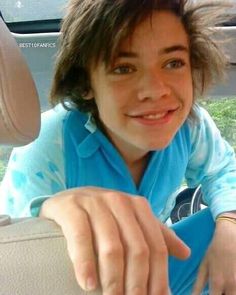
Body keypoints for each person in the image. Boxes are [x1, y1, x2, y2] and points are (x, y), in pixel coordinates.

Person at [1, 0, 236, 294]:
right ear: (86, 83)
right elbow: (13, 246)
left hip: (159, 263)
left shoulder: (189, 124)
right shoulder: (48, 142)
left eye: (173, 63)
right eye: (123, 68)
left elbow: (223, 169)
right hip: (86, 279)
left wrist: (229, 225)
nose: (156, 90)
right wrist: (50, 209)